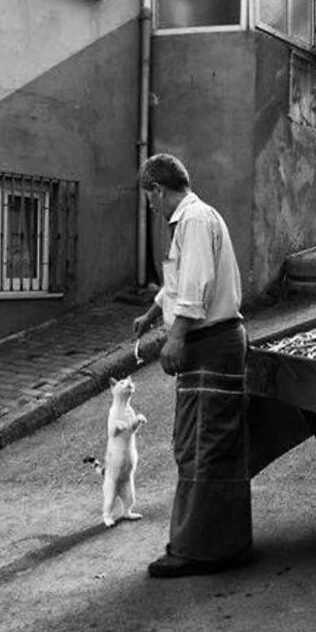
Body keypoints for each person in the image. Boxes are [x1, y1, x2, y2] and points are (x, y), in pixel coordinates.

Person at [133, 153, 251, 578]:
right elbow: (177, 283)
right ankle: (220, 543)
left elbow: (197, 287)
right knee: (198, 443)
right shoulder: (189, 222)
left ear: (159, 190)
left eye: (150, 197)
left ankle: (202, 550)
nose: (151, 205)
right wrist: (152, 314)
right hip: (212, 344)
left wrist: (176, 336)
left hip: (211, 343)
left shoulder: (196, 221)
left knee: (206, 446)